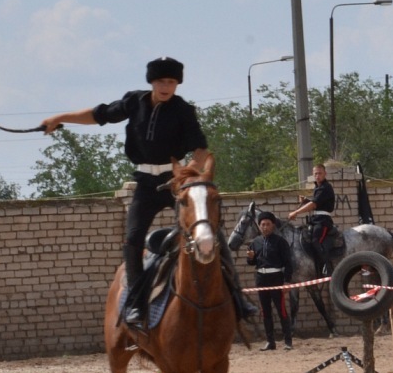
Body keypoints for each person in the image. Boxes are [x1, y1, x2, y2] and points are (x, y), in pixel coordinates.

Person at [41, 56, 257, 327]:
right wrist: (59, 118)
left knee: (211, 233)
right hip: (145, 184)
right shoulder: (135, 102)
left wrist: (187, 173)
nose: (166, 86)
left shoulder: (183, 111)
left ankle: (237, 296)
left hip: (175, 184)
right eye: (161, 81)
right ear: (151, 82)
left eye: (171, 82)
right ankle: (134, 302)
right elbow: (99, 115)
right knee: (132, 239)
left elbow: (201, 149)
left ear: (177, 83)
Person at [246, 211, 293, 351]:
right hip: (261, 279)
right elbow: (252, 262)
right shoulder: (255, 242)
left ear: (273, 225)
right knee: (265, 311)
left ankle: (288, 341)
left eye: (267, 224)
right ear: (259, 226)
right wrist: (250, 258)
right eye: (262, 224)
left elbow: (288, 263)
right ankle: (270, 341)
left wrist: (287, 281)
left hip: (276, 278)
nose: (265, 227)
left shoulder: (280, 242)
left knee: (281, 310)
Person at [288, 163, 335, 276]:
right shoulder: (317, 188)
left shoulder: (325, 187)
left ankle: (327, 267)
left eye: (320, 173)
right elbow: (317, 203)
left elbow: (314, 205)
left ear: (325, 174)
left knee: (316, 240)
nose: (317, 176)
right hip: (316, 219)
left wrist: (296, 212)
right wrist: (306, 201)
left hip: (323, 220)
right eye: (315, 174)